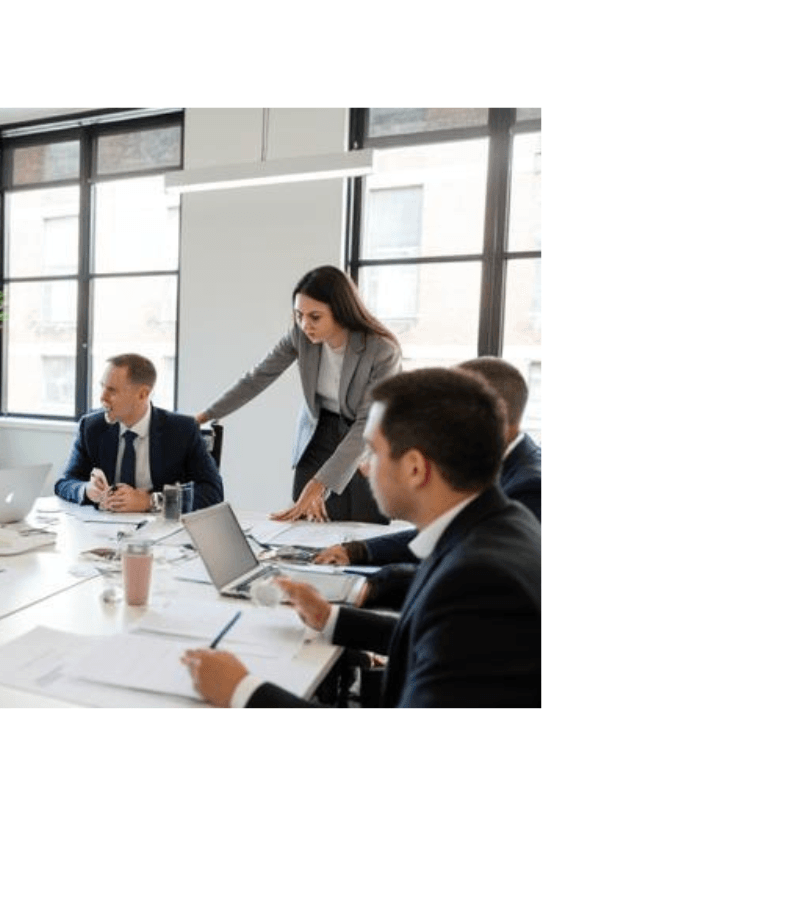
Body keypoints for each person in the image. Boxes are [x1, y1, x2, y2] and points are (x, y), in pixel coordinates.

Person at [182, 367, 541, 707]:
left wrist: (244, 691)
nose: (365, 467)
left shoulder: (480, 580)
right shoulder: (491, 526)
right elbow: (428, 638)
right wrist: (330, 618)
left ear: (415, 468)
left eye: (373, 451)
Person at [317, 356, 542, 610]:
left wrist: (370, 586)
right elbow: (451, 532)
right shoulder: (503, 466)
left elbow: (470, 577)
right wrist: (360, 552)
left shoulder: (531, 487)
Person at [196, 265, 401, 523]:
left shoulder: (382, 350)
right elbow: (256, 378)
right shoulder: (300, 337)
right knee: (306, 521)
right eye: (299, 315)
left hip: (365, 437)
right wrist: (202, 417)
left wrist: (320, 483)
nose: (305, 325)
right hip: (319, 432)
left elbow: (368, 422)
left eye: (315, 317)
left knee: (363, 523)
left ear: (341, 311)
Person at [54, 353, 224, 514]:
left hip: (162, 529)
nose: (102, 397)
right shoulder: (91, 427)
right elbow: (64, 483)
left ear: (142, 394)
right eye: (102, 387)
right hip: (103, 528)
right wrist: (86, 490)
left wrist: (150, 501)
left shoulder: (182, 430)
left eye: (112, 390)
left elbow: (213, 492)